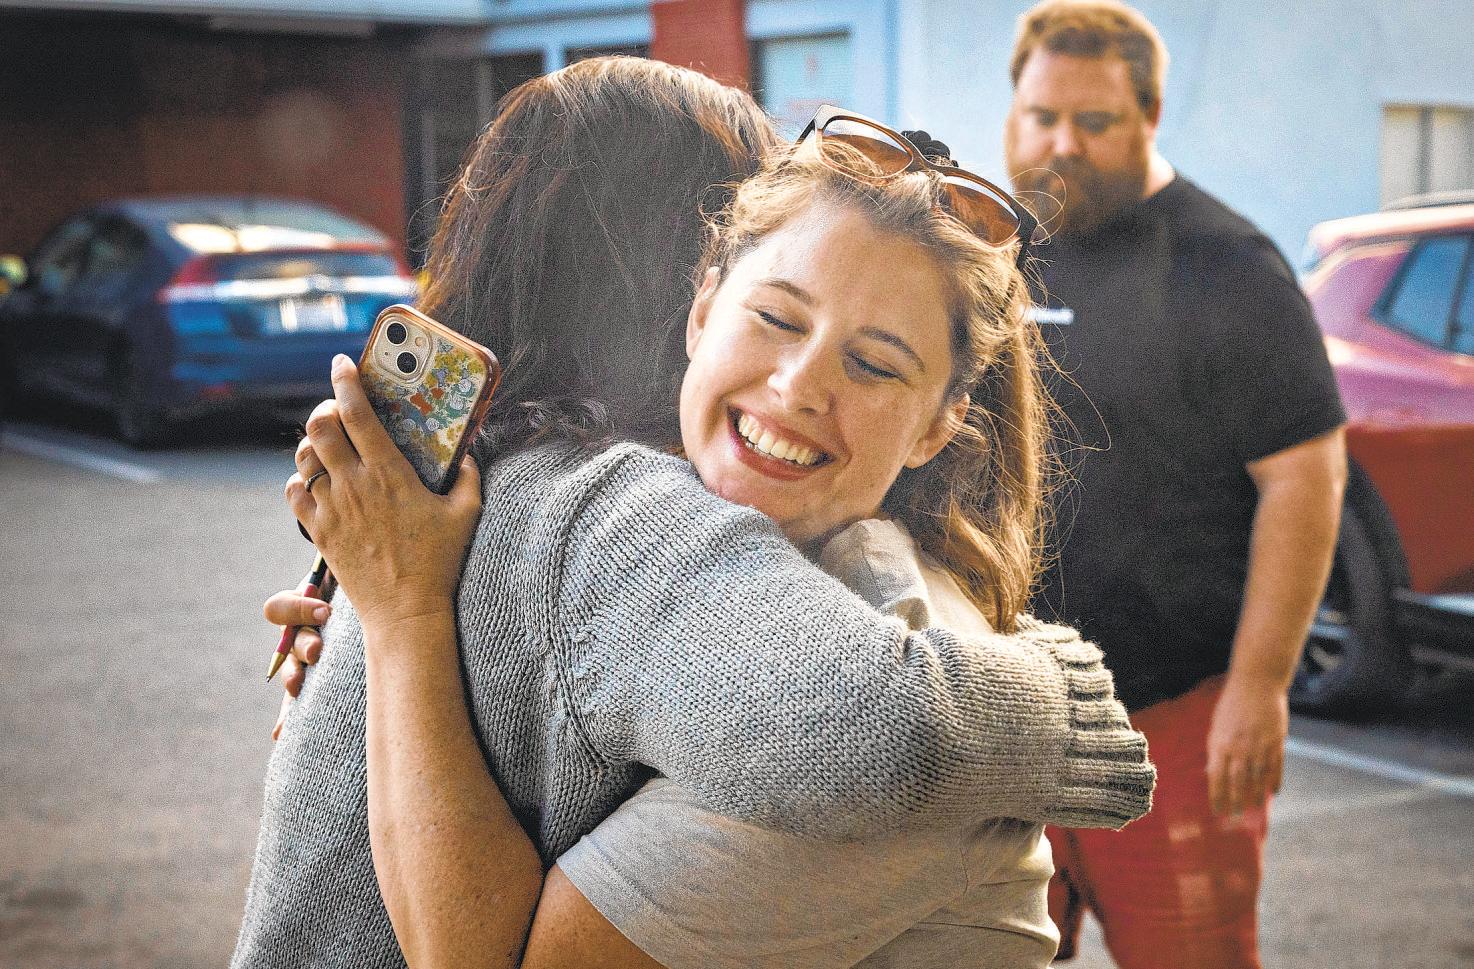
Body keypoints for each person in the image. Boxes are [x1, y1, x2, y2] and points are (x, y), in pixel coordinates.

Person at [233, 58, 1153, 969]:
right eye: (777, 312)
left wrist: (383, 622)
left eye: (876, 361)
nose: (798, 384)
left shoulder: (471, 500)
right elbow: (881, 722)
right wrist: (1065, 697)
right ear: (691, 289)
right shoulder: (616, 515)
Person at [1002, 3, 1349, 967]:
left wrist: (1262, 683)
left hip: (1174, 716)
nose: (1059, 143)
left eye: (1094, 121)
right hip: (1009, 706)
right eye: (1039, 116)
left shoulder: (1223, 266)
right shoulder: (1006, 243)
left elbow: (1306, 478)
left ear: (1150, 115)